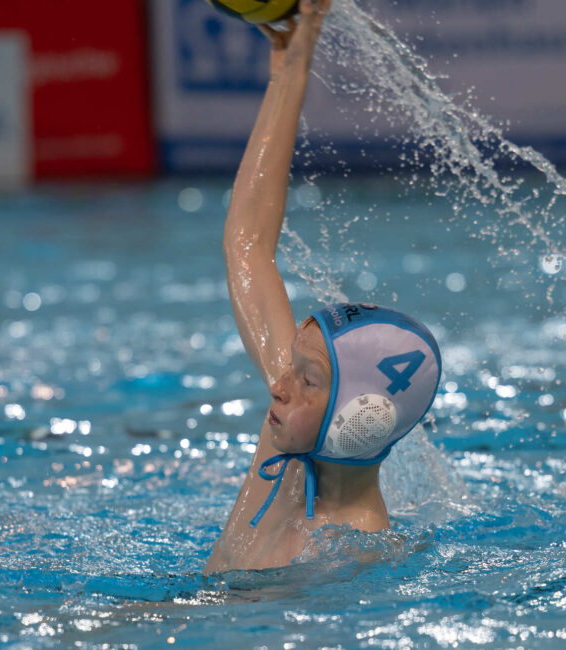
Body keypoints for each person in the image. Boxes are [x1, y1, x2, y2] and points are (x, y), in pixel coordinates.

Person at [203, 0, 441, 573]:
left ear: (359, 417)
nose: (278, 388)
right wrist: (290, 63)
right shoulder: (296, 437)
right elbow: (247, 243)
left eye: (306, 379)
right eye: (294, 369)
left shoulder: (353, 556)